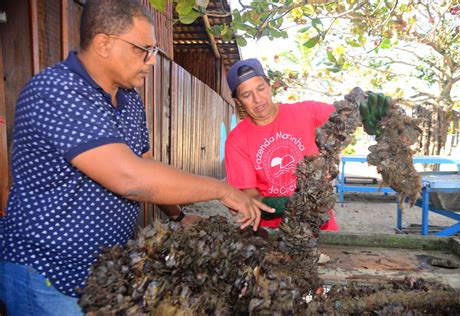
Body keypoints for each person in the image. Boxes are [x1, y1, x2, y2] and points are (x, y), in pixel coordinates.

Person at [0, 1, 273, 315]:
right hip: (46, 275)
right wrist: (224, 190)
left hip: (105, 272)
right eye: (144, 49)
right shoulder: (56, 91)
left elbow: (146, 163)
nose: (152, 61)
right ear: (104, 43)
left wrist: (178, 217)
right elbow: (130, 178)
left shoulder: (127, 98)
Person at [224, 58, 339, 230]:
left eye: (261, 88)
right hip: (270, 230)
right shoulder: (237, 139)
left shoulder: (306, 112)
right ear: (238, 101)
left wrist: (367, 106)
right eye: (247, 95)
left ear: (270, 87)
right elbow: (248, 196)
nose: (257, 99)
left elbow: (347, 116)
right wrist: (289, 204)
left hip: (319, 225)